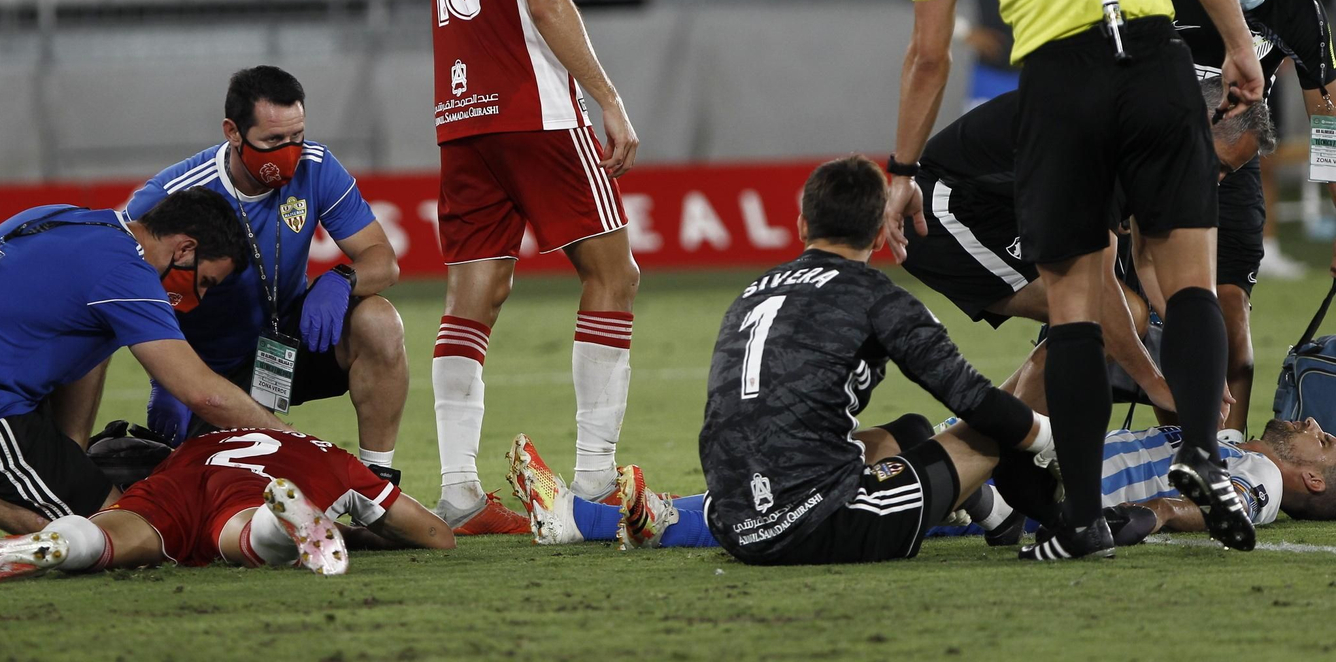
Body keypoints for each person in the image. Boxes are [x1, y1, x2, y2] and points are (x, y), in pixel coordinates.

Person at [885, 0, 1266, 558]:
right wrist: (1237, 45)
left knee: (1074, 306)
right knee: (1190, 278)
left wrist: (903, 168)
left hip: (1061, 82)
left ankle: (1084, 517)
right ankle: (1201, 451)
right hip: (1159, 59)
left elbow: (928, 55)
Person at [530, 155, 1050, 566]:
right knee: (991, 428)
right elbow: (973, 400)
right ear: (877, 235)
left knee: (912, 430)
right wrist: (1048, 438)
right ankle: (1070, 520)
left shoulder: (754, 291)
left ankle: (999, 518)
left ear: (802, 224)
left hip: (732, 519)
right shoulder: (878, 297)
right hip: (819, 525)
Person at [426, 0, 642, 534]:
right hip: (534, 108)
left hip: (462, 112)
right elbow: (546, 0)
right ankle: (591, 480)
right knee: (613, 275)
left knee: (472, 294)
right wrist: (606, 97)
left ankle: (456, 489)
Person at [901, 78, 1278, 415]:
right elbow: (1098, 286)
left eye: (1228, 174)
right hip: (944, 208)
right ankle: (997, 454)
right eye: (1217, 165)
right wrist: (1157, 385)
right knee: (1096, 314)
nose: (1215, 183)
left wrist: (1202, 359)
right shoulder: (1111, 141)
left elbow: (1149, 259)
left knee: (1112, 318)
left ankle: (987, 442)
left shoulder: (1159, 138)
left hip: (1009, 212)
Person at [0, 189, 284, 540]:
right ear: (185, 249)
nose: (202, 297)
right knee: (123, 536)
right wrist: (294, 446)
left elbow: (90, 346)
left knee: (115, 511)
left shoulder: (67, 217)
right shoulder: (125, 270)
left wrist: (72, 453)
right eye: (206, 282)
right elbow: (203, 394)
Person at [123, 66, 407, 483]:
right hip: (209, 371)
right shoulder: (171, 196)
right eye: (273, 141)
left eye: (297, 137)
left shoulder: (318, 167)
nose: (289, 152)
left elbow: (383, 260)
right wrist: (167, 376)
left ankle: (378, 484)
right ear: (233, 132)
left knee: (379, 321)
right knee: (222, 497)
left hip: (292, 340)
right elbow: (118, 283)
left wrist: (341, 279)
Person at [504, 416, 1336, 551]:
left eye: (1329, 446)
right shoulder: (1227, 429)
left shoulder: (1259, 473)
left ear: (1306, 475)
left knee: (875, 462)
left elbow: (1213, 509)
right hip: (1014, 475)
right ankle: (620, 513)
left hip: (1016, 494)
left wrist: (1136, 520)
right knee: (876, 451)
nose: (1323, 428)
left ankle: (581, 518)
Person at [1154, 0, 1336, 431]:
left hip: (1232, 165)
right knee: (1150, 320)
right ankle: (1165, 453)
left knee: (1230, 318)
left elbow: (1328, 123)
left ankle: (1225, 463)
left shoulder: (1297, 7)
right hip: (1147, 161)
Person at [0, 427, 454, 583]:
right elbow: (435, 535)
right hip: (255, 490)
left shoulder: (205, 438)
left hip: (183, 476)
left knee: (110, 538)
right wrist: (356, 532)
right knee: (246, 536)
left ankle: (52, 542)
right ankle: (280, 518)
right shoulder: (335, 458)